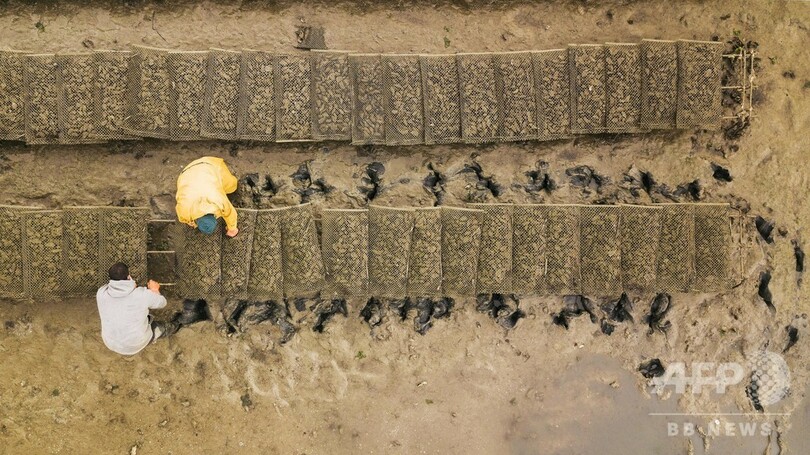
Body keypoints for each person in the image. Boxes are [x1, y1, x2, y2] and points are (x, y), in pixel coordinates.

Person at [96, 262, 178, 355]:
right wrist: (154, 290)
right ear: (128, 276)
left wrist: (130, 285)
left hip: (110, 342)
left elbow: (116, 289)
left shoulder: (101, 293)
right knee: (161, 328)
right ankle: (175, 326)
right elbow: (162, 303)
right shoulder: (141, 295)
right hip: (135, 344)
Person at [175, 156, 239, 237]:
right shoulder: (184, 212)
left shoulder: (218, 201)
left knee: (232, 186)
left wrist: (232, 229)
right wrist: (191, 222)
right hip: (187, 173)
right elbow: (184, 218)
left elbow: (230, 213)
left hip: (209, 165)